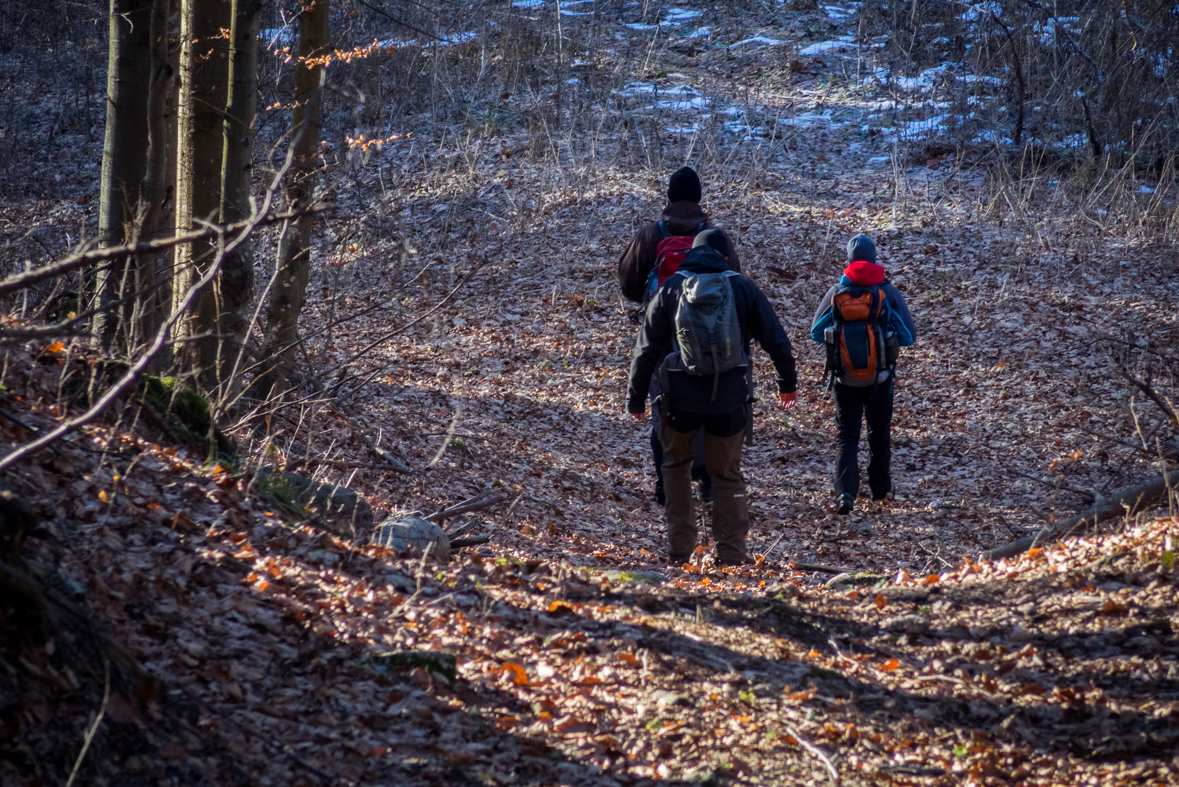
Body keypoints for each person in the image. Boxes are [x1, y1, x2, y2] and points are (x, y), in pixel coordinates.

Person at [627, 230, 797, 566]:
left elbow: (645, 350)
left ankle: (681, 550)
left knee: (675, 466)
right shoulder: (743, 288)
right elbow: (777, 340)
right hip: (729, 400)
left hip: (678, 400)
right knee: (727, 474)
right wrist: (786, 383)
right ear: (726, 255)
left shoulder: (670, 288)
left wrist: (636, 398)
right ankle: (731, 554)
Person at [617, 166, 741, 505]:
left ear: (669, 196)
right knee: (709, 403)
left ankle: (666, 485)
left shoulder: (650, 234)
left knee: (663, 406)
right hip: (711, 334)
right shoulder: (717, 236)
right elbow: (736, 282)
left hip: (661, 335)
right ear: (699, 197)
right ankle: (709, 481)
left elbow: (628, 284)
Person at [810, 234, 916, 516]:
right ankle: (880, 490)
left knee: (847, 436)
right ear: (874, 259)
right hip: (881, 378)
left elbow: (816, 332)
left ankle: (845, 492)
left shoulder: (837, 292)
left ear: (848, 260)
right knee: (878, 433)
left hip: (844, 378)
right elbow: (909, 337)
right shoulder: (887, 293)